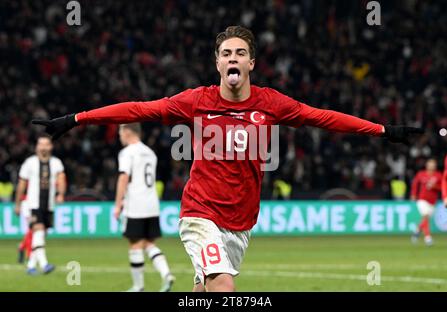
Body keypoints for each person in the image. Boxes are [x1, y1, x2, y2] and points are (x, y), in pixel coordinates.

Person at [32, 26, 423, 291]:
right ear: (217, 63)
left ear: (251, 63)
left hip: (241, 221)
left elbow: (323, 118)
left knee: (204, 286)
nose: (232, 58)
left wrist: (383, 131)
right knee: (224, 287)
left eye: (239, 52)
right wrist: (77, 119)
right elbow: (138, 108)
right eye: (225, 53)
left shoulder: (271, 103)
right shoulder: (197, 100)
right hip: (200, 213)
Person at [114, 123, 175, 292]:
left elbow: (123, 178)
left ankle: (138, 286)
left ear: (127, 132)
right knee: (149, 243)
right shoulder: (150, 153)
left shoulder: (127, 153)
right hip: (152, 204)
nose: (120, 137)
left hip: (135, 204)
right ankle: (167, 274)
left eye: (120, 133)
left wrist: (118, 204)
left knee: (135, 244)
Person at [14, 135, 66, 275]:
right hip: (32, 204)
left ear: (51, 147)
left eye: (46, 144)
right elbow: (21, 184)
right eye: (41, 144)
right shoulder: (29, 163)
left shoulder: (56, 163)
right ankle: (44, 264)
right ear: (37, 147)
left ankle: (31, 266)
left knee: (41, 235)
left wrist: (61, 194)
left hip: (49, 205)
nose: (43, 147)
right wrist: (18, 203)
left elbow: (61, 179)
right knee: (38, 230)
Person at [410, 159, 442, 246]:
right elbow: (415, 184)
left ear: (435, 166)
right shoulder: (421, 174)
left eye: (433, 164)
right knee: (426, 217)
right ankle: (428, 238)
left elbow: (443, 187)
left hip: (432, 202)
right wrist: (413, 194)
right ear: (426, 165)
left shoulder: (438, 175)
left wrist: (434, 186)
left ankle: (416, 231)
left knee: (425, 220)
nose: (431, 166)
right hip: (422, 200)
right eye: (430, 164)